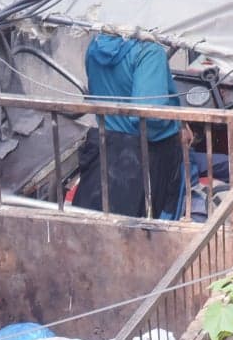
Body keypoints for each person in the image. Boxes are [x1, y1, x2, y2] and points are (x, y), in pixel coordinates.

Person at [74, 33, 185, 219]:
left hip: (106, 145)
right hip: (144, 156)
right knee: (142, 228)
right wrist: (176, 124)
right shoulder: (149, 52)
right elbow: (151, 118)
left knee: (98, 220)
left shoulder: (95, 46)